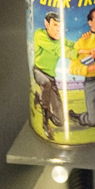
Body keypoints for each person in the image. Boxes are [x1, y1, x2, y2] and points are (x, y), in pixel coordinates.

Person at [32, 9, 67, 137]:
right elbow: (56, 48)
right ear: (47, 24)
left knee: (60, 122)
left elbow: (72, 45)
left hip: (51, 77)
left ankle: (40, 98)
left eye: (60, 26)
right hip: (38, 71)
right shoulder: (40, 34)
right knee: (46, 84)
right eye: (55, 25)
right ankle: (45, 123)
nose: (58, 29)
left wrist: (85, 49)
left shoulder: (60, 39)